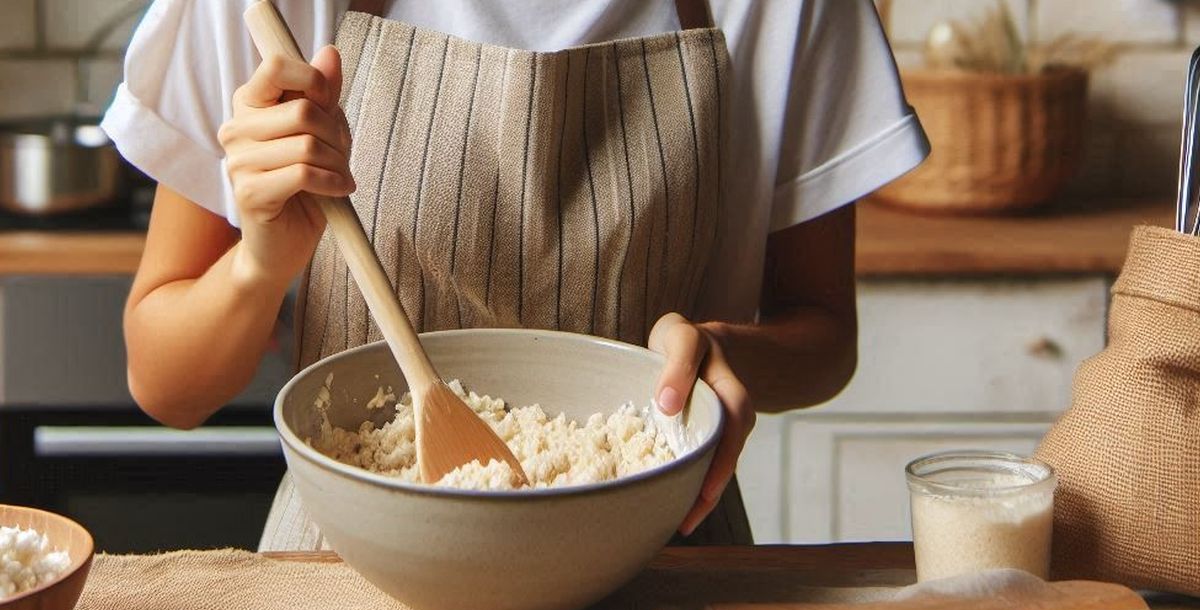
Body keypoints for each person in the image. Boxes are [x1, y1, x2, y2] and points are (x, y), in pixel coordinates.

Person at [102, 0, 928, 548]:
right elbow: (168, 385)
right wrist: (258, 265)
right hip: (349, 578)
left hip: (659, 569)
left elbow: (823, 331)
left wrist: (721, 356)